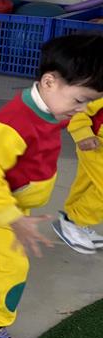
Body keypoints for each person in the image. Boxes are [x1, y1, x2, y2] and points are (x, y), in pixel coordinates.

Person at [0, 34, 103, 338]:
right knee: (11, 269)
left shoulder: (46, 107)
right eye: (80, 101)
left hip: (11, 200)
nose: (82, 110)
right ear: (49, 82)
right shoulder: (18, 124)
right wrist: (13, 218)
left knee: (10, 266)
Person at [53, 96, 103, 254]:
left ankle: (73, 220)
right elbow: (80, 106)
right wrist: (82, 133)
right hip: (95, 144)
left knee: (88, 184)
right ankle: (74, 221)